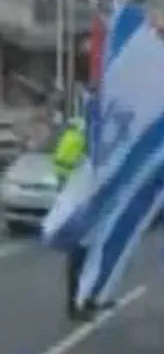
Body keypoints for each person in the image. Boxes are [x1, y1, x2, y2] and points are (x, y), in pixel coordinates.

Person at [54, 116, 89, 321]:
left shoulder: (74, 136)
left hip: (79, 203)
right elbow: (64, 171)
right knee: (79, 258)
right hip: (78, 205)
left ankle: (82, 301)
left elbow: (61, 171)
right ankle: (75, 305)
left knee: (83, 257)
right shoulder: (79, 139)